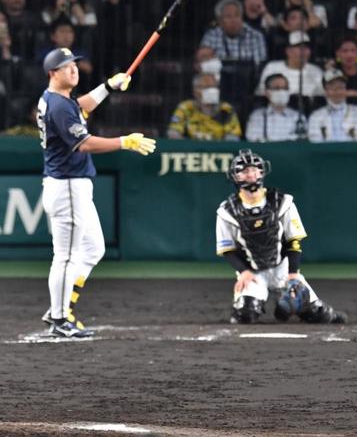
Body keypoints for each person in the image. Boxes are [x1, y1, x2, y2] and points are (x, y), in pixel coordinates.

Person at [38, 47, 156, 338]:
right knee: (65, 256)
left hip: (72, 185)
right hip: (67, 186)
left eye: (75, 64)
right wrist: (123, 142)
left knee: (93, 249)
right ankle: (59, 318)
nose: (74, 69)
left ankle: (61, 306)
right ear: (53, 73)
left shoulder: (60, 100)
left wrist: (108, 86)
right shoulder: (58, 106)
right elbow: (85, 143)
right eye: (67, 66)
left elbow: (83, 106)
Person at [216, 148, 347, 324]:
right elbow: (228, 249)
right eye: (245, 171)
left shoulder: (281, 201)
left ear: (262, 172)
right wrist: (243, 272)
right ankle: (264, 304)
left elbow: (294, 240)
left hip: (283, 268)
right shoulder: (226, 210)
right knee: (244, 314)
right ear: (235, 176)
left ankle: (296, 308)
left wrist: (293, 274)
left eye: (255, 169)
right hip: (253, 271)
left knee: (319, 315)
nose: (251, 174)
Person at [167, 73, 242, 141]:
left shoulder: (226, 109)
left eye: (213, 87)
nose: (210, 91)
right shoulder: (185, 107)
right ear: (195, 90)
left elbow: (233, 138)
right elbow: (173, 133)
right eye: (205, 87)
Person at [200, 0, 267, 66]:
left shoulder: (255, 36)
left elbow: (260, 67)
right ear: (220, 21)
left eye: (237, 15)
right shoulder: (211, 36)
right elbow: (204, 65)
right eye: (228, 16)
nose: (233, 20)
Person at [256, 31, 324, 97]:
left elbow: (321, 96)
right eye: (300, 48)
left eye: (307, 48)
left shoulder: (316, 71)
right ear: (288, 51)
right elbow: (261, 92)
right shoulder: (272, 67)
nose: (305, 52)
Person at [308, 69, 357, 142]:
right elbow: (315, 142)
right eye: (333, 88)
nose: (337, 92)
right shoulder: (316, 116)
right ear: (325, 92)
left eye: (341, 87)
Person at [246, 73, 306, 141]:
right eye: (277, 88)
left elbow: (301, 139)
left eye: (285, 88)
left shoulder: (298, 117)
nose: (282, 91)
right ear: (267, 92)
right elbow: (253, 138)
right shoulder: (257, 116)